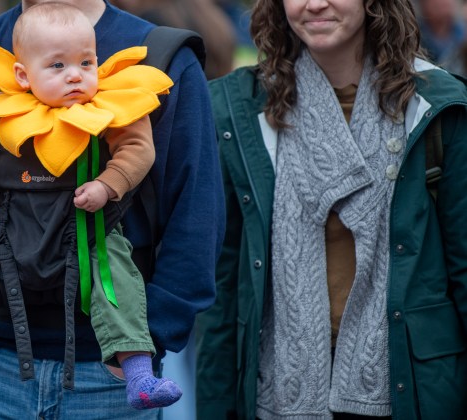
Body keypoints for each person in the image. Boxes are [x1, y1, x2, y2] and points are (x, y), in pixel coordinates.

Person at [0, 0, 224, 418]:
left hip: (112, 378)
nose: (73, 74)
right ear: (21, 74)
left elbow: (196, 214)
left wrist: (151, 338)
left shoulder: (162, 57)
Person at [196, 0, 467, 419]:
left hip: (409, 383)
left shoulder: (434, 106)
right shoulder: (239, 110)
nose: (315, 3)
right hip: (279, 388)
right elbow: (224, 284)